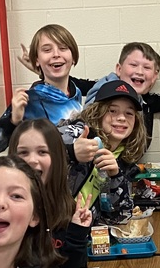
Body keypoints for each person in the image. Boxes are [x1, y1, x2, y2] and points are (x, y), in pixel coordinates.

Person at [9, 118, 92, 268]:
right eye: (23, 153)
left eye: (42, 152)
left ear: (57, 159)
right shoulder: (3, 210)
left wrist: (77, 234)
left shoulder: (67, 208)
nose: (32, 160)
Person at [0, 24, 85, 154]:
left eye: (63, 48)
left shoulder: (76, 92)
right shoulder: (29, 100)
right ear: (37, 60)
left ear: (73, 57)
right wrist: (13, 120)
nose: (56, 54)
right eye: (47, 50)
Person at [58, 79, 147, 226]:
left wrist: (115, 176)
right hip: (48, 231)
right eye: (112, 111)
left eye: (129, 113)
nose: (121, 118)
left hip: (81, 235)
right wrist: (71, 152)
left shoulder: (123, 158)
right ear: (98, 112)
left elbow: (120, 218)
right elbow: (29, 154)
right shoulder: (78, 132)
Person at [78, 42, 160, 147]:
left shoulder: (147, 101)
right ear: (119, 69)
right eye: (133, 65)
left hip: (127, 164)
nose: (139, 72)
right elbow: (71, 83)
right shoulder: (102, 91)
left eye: (147, 67)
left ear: (154, 76)